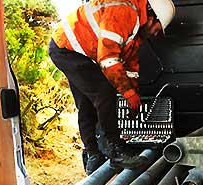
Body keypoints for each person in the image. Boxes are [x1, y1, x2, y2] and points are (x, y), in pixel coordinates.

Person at [48, 0, 176, 175]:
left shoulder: (136, 33)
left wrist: (134, 94)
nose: (155, 34)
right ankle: (115, 150)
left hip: (81, 52)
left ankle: (94, 155)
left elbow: (130, 66)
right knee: (103, 92)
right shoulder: (124, 11)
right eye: (158, 28)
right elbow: (107, 58)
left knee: (87, 103)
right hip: (67, 48)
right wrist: (128, 93)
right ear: (151, 15)